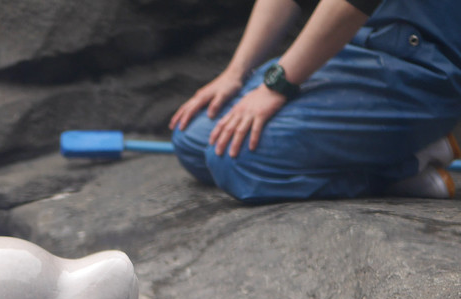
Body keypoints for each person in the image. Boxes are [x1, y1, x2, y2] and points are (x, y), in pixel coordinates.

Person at [169, 0, 461, 202]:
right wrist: (235, 72)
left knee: (236, 160)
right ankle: (394, 155)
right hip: (355, 44)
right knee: (192, 139)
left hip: (424, 67)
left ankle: (406, 163)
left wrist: (277, 84)